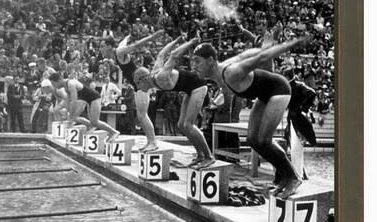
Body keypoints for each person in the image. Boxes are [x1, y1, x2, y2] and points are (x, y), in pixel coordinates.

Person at [191, 36, 309, 197]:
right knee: (253, 140)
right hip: (263, 94)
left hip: (279, 89)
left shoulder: (230, 73)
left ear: (210, 60)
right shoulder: (223, 70)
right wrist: (262, 48)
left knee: (264, 140)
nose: (193, 66)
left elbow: (262, 57)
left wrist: (293, 43)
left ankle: (293, 177)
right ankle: (284, 176)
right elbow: (249, 54)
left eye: (197, 61)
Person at [133, 36, 215, 167]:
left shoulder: (161, 76)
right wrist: (176, 40)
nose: (138, 89)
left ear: (143, 79)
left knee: (188, 125)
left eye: (137, 85)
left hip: (198, 86)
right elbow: (161, 54)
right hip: (189, 89)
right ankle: (200, 155)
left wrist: (191, 42)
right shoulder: (154, 73)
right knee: (181, 125)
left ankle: (209, 156)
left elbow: (174, 55)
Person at [100, 29, 164, 151]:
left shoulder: (119, 52)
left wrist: (152, 37)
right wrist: (128, 36)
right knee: (140, 116)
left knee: (143, 116)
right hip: (137, 84)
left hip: (141, 84)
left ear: (109, 47)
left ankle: (153, 142)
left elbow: (136, 45)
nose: (100, 49)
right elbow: (124, 42)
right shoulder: (116, 53)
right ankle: (150, 141)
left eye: (102, 46)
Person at [48, 72, 120, 141]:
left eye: (54, 84)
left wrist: (71, 114)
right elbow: (67, 101)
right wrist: (68, 113)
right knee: (78, 118)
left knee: (95, 121)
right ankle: (91, 126)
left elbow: (74, 101)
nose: (54, 86)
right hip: (87, 100)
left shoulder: (71, 84)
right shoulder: (66, 87)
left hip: (94, 98)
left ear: (59, 80)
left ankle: (114, 132)